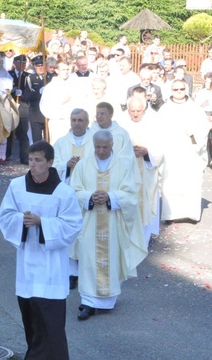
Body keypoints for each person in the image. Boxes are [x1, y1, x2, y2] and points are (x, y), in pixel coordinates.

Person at [0, 141, 83, 359]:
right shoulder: (17, 186)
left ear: (50, 162)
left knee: (51, 326)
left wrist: (42, 223)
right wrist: (22, 220)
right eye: (30, 160)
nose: (33, 165)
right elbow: (5, 217)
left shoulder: (64, 192)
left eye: (38, 160)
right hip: (26, 266)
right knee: (32, 322)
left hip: (51, 268)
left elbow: (73, 225)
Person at [69, 131, 147, 320]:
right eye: (98, 147)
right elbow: (73, 191)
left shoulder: (123, 165)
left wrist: (110, 197)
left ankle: (105, 302)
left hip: (113, 222)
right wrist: (89, 197)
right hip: (89, 221)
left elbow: (130, 194)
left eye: (105, 147)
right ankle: (87, 302)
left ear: (112, 145)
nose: (101, 151)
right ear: (93, 145)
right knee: (88, 259)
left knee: (110, 259)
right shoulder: (83, 165)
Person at [157, 79, 210, 223]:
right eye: (176, 89)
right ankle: (170, 215)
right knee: (171, 183)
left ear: (186, 89)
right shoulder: (165, 109)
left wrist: (193, 135)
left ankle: (190, 213)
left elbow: (204, 128)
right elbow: (158, 130)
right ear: (171, 91)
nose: (179, 92)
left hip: (190, 151)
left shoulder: (195, 109)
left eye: (181, 89)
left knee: (190, 181)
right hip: (171, 152)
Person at [119, 96, 164, 245]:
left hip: (146, 171)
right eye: (132, 111)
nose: (136, 114)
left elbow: (160, 148)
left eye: (139, 111)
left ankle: (143, 239)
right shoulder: (121, 123)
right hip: (126, 171)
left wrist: (146, 152)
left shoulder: (154, 123)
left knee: (145, 203)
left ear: (144, 109)